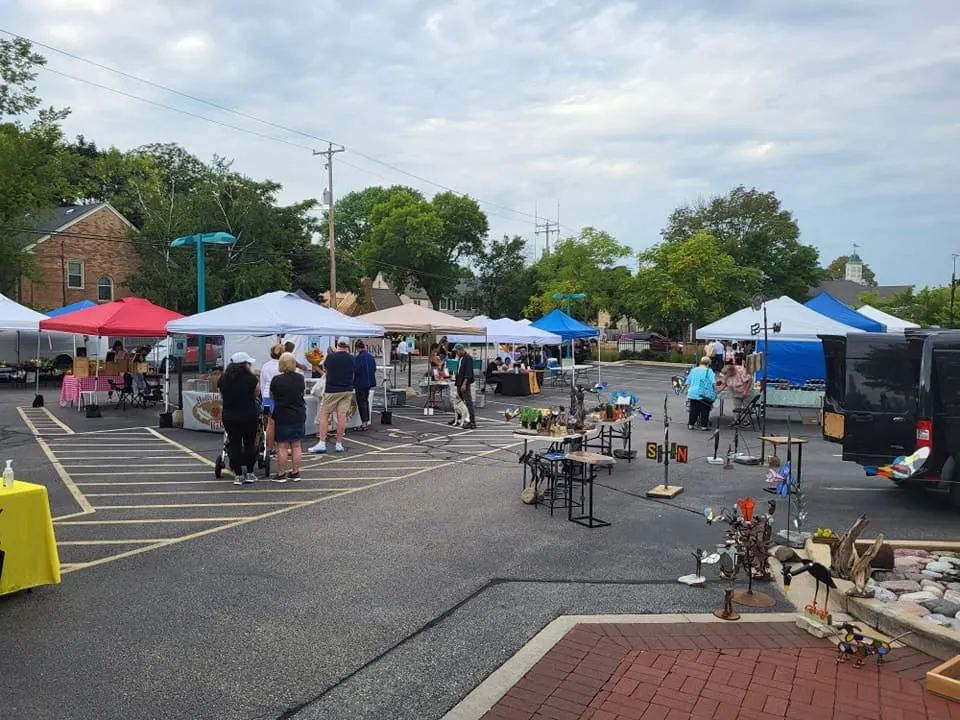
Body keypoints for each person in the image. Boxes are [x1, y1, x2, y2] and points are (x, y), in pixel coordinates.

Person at [217, 352, 260, 486]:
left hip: (230, 415)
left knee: (234, 443)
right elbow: (256, 393)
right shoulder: (251, 379)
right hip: (248, 414)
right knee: (249, 443)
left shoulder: (223, 379)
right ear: (244, 365)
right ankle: (250, 472)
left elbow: (221, 395)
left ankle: (238, 474)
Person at [309, 337, 354, 454]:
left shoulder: (331, 357)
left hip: (332, 389)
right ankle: (339, 443)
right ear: (348, 346)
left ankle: (322, 443)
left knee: (324, 414)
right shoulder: (352, 358)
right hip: (347, 389)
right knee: (342, 416)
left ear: (337, 344)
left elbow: (326, 371)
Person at [269, 352, 306, 482]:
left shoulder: (276, 380)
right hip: (298, 413)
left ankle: (281, 474)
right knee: (296, 445)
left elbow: (271, 397)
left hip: (282, 414)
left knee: (282, 446)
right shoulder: (300, 378)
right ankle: (296, 472)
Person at [259, 343, 284, 454]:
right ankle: (281, 446)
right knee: (282, 423)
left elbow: (262, 383)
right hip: (279, 397)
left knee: (270, 423)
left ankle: (269, 447)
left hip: (266, 396)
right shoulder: (283, 367)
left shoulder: (265, 366)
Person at [687, 356, 718, 430]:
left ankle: (691, 425)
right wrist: (716, 390)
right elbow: (713, 383)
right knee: (704, 410)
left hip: (693, 392)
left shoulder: (693, 370)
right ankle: (703, 426)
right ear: (708, 363)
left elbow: (688, 382)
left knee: (693, 410)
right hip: (704, 393)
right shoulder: (709, 371)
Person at [353, 340, 377, 430]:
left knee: (361, 402)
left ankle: (364, 422)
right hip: (369, 382)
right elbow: (374, 368)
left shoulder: (358, 358)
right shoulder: (370, 356)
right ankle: (366, 421)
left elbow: (357, 370)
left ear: (357, 348)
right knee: (365, 401)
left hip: (360, 382)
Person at [454, 343, 476, 429]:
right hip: (459, 382)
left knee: (468, 402)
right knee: (459, 402)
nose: (456, 353)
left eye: (457, 351)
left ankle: (472, 421)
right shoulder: (461, 358)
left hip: (464, 383)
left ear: (460, 350)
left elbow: (468, 373)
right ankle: (459, 419)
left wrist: (464, 384)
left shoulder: (468, 358)